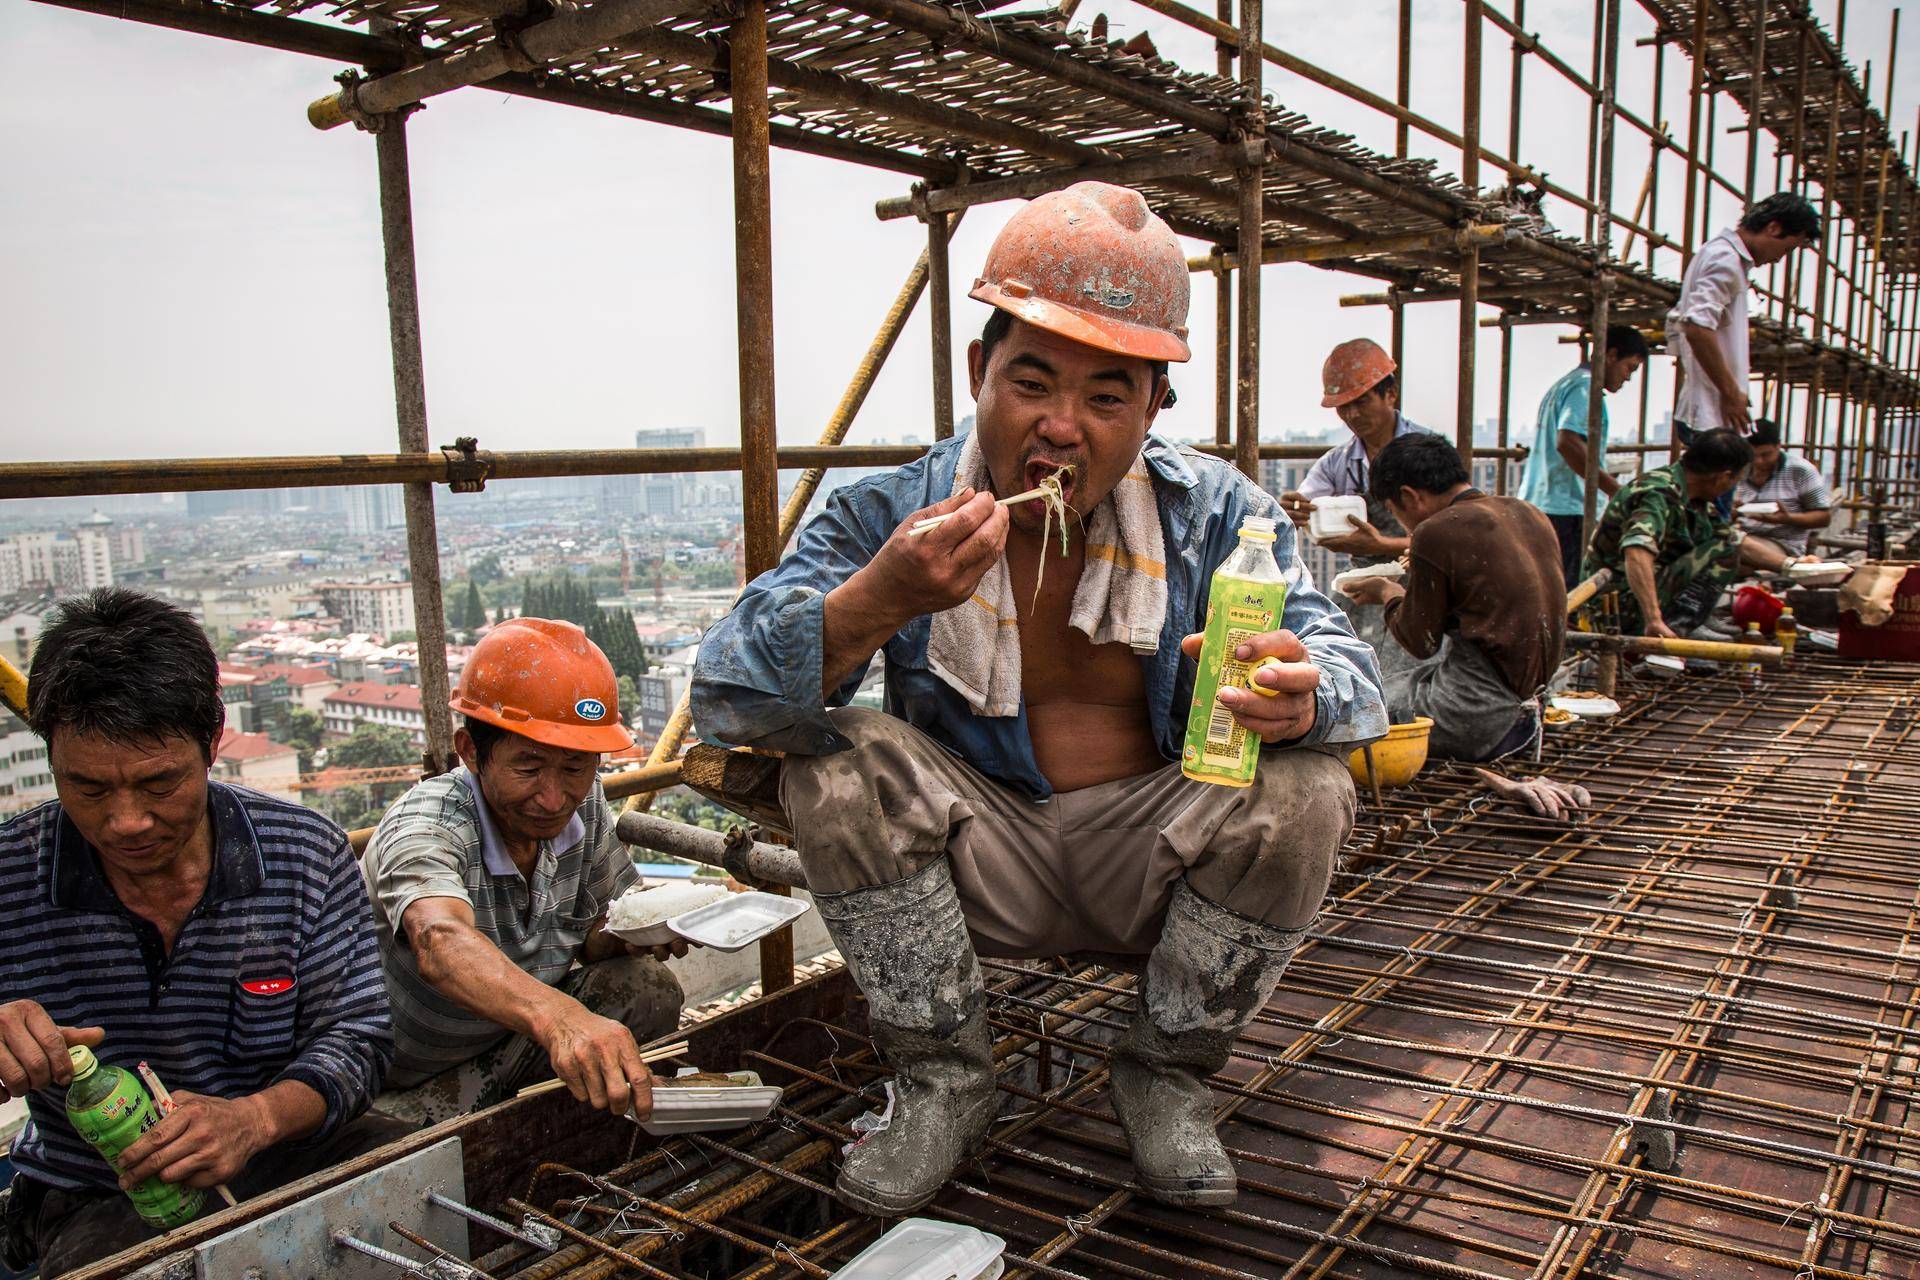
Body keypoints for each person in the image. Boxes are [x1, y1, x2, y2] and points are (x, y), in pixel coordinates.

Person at [692, 182, 1386, 1215]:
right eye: (1031, 381)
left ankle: (1167, 1072)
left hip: (1155, 854)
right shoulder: (890, 511)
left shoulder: (1219, 518)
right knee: (840, 763)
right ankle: (943, 1079)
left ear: (1154, 409)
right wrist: (876, 600)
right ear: (979, 374)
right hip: (982, 852)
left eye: (1108, 397)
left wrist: (1303, 692)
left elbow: (1353, 676)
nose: (1062, 426)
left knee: (1307, 786)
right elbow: (726, 696)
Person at [0, 589, 404, 1278]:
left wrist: (255, 1119)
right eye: (90, 789)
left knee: (429, 1197)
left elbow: (360, 1039)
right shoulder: (9, 873)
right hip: (99, 1192)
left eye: (159, 783)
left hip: (287, 1151)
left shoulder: (303, 852)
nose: (126, 821)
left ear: (211, 741)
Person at [362, 619, 684, 1127]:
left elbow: (596, 936)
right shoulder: (427, 824)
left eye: (576, 768)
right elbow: (438, 938)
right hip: (402, 1080)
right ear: (471, 752)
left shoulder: (585, 804)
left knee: (648, 987)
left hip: (514, 1040)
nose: (553, 798)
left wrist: (643, 931)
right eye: (528, 769)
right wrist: (562, 1020)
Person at [1340, 434, 1566, 761]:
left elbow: (1421, 643)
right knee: (1393, 684)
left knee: (1355, 707)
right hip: (1534, 704)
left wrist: (1387, 592)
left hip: (1476, 712)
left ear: (1409, 496)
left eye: (1393, 509)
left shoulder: (1436, 531)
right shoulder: (1528, 513)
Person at [1668, 192, 1820, 445]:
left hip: (1711, 415)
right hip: (1710, 418)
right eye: (1788, 248)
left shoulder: (1721, 255)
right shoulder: (1725, 259)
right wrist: (1730, 394)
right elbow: (1696, 326)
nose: (1780, 257)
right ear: (1773, 228)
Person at [1584, 429, 1756, 638]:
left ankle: (1685, 624)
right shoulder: (1658, 493)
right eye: (1735, 481)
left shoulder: (1695, 499)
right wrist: (1653, 618)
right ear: (1724, 477)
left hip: (1634, 597)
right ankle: (1675, 628)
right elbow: (1636, 550)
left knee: (1726, 544)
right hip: (1612, 607)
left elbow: (1734, 539)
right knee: (1723, 550)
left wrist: (1791, 565)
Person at [1279, 337, 1437, 562]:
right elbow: (1305, 502)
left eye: (1362, 402)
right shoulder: (1336, 463)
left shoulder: (1430, 452)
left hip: (1424, 565)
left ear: (1391, 394)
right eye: (1343, 407)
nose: (1352, 415)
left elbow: (1455, 535)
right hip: (1363, 573)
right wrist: (1292, 510)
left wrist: (1382, 545)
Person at [1517, 325, 1649, 586]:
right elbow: (1567, 442)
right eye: (1629, 368)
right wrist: (1614, 489)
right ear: (1610, 356)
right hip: (1567, 507)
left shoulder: (1567, 384)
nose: (1628, 379)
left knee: (1548, 586)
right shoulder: (1584, 390)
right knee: (1568, 591)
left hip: (1545, 502)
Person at [1733, 417, 1833, 571]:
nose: (1759, 461)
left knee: (1733, 551)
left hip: (1783, 543)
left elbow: (1823, 517)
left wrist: (1787, 518)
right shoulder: (1740, 469)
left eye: (1766, 455)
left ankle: (1794, 566)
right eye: (1753, 456)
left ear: (1778, 446)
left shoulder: (1800, 471)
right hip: (1743, 536)